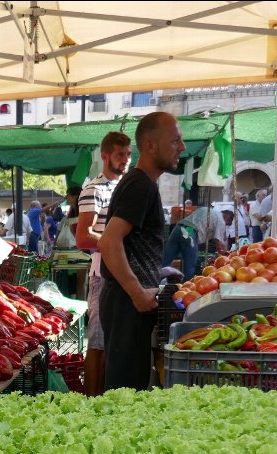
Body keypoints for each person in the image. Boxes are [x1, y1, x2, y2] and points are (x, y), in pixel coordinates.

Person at [99, 111, 185, 391]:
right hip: (127, 303)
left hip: (126, 301)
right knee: (125, 392)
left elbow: (128, 244)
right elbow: (109, 241)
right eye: (175, 141)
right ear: (150, 145)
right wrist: (137, 292)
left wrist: (156, 271)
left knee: (129, 387)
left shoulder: (141, 183)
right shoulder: (140, 185)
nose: (181, 148)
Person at [77, 131, 132, 398]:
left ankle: (108, 397)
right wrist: (113, 242)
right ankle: (92, 402)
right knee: (97, 342)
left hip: (123, 272)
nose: (126, 160)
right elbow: (83, 237)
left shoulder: (125, 188)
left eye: (129, 155)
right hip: (102, 276)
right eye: (121, 155)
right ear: (105, 156)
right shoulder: (94, 190)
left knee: (114, 343)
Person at [163, 204, 225, 279]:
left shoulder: (208, 210)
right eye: (229, 223)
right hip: (189, 232)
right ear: (228, 217)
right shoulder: (221, 219)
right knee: (189, 266)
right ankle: (186, 287)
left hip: (179, 228)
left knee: (165, 260)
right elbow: (218, 242)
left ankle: (153, 282)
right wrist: (223, 257)